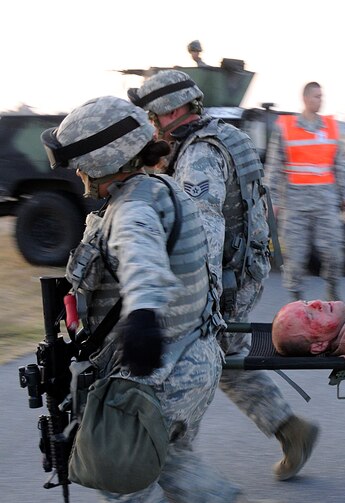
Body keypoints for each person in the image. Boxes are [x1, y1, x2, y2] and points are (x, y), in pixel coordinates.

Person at [42, 96, 240, 500]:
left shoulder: (131, 210)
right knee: (169, 461)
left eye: (79, 163)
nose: (77, 173)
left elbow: (140, 257)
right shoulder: (159, 189)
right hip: (191, 362)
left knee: (122, 480)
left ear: (102, 161)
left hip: (161, 376)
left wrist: (143, 317)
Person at [129, 70, 318, 481]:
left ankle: (175, 466)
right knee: (228, 361)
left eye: (153, 115)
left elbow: (205, 231)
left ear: (174, 110)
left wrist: (197, 302)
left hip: (224, 278)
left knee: (187, 365)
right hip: (241, 269)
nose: (150, 123)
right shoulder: (220, 134)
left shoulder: (199, 154)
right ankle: (290, 430)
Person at [265, 81, 345, 301]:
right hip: (295, 208)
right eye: (316, 96)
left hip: (325, 205)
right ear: (305, 99)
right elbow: (274, 168)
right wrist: (272, 203)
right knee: (295, 260)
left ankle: (333, 295)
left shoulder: (331, 128)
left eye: (321, 96)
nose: (320, 100)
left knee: (334, 254)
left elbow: (339, 166)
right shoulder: (285, 128)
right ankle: (297, 305)